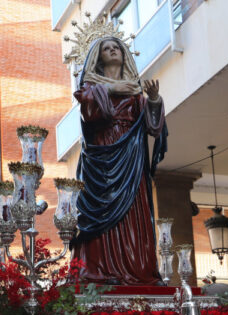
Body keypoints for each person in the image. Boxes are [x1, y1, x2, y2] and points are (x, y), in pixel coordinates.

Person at [71, 36, 167, 285]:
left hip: (131, 156)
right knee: (103, 206)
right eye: (107, 48)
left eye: (117, 48)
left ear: (124, 56)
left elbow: (153, 127)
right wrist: (112, 89)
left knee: (134, 210)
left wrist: (154, 100)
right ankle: (101, 270)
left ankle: (136, 270)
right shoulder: (91, 88)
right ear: (98, 57)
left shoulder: (135, 92)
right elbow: (89, 110)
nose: (113, 50)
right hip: (103, 153)